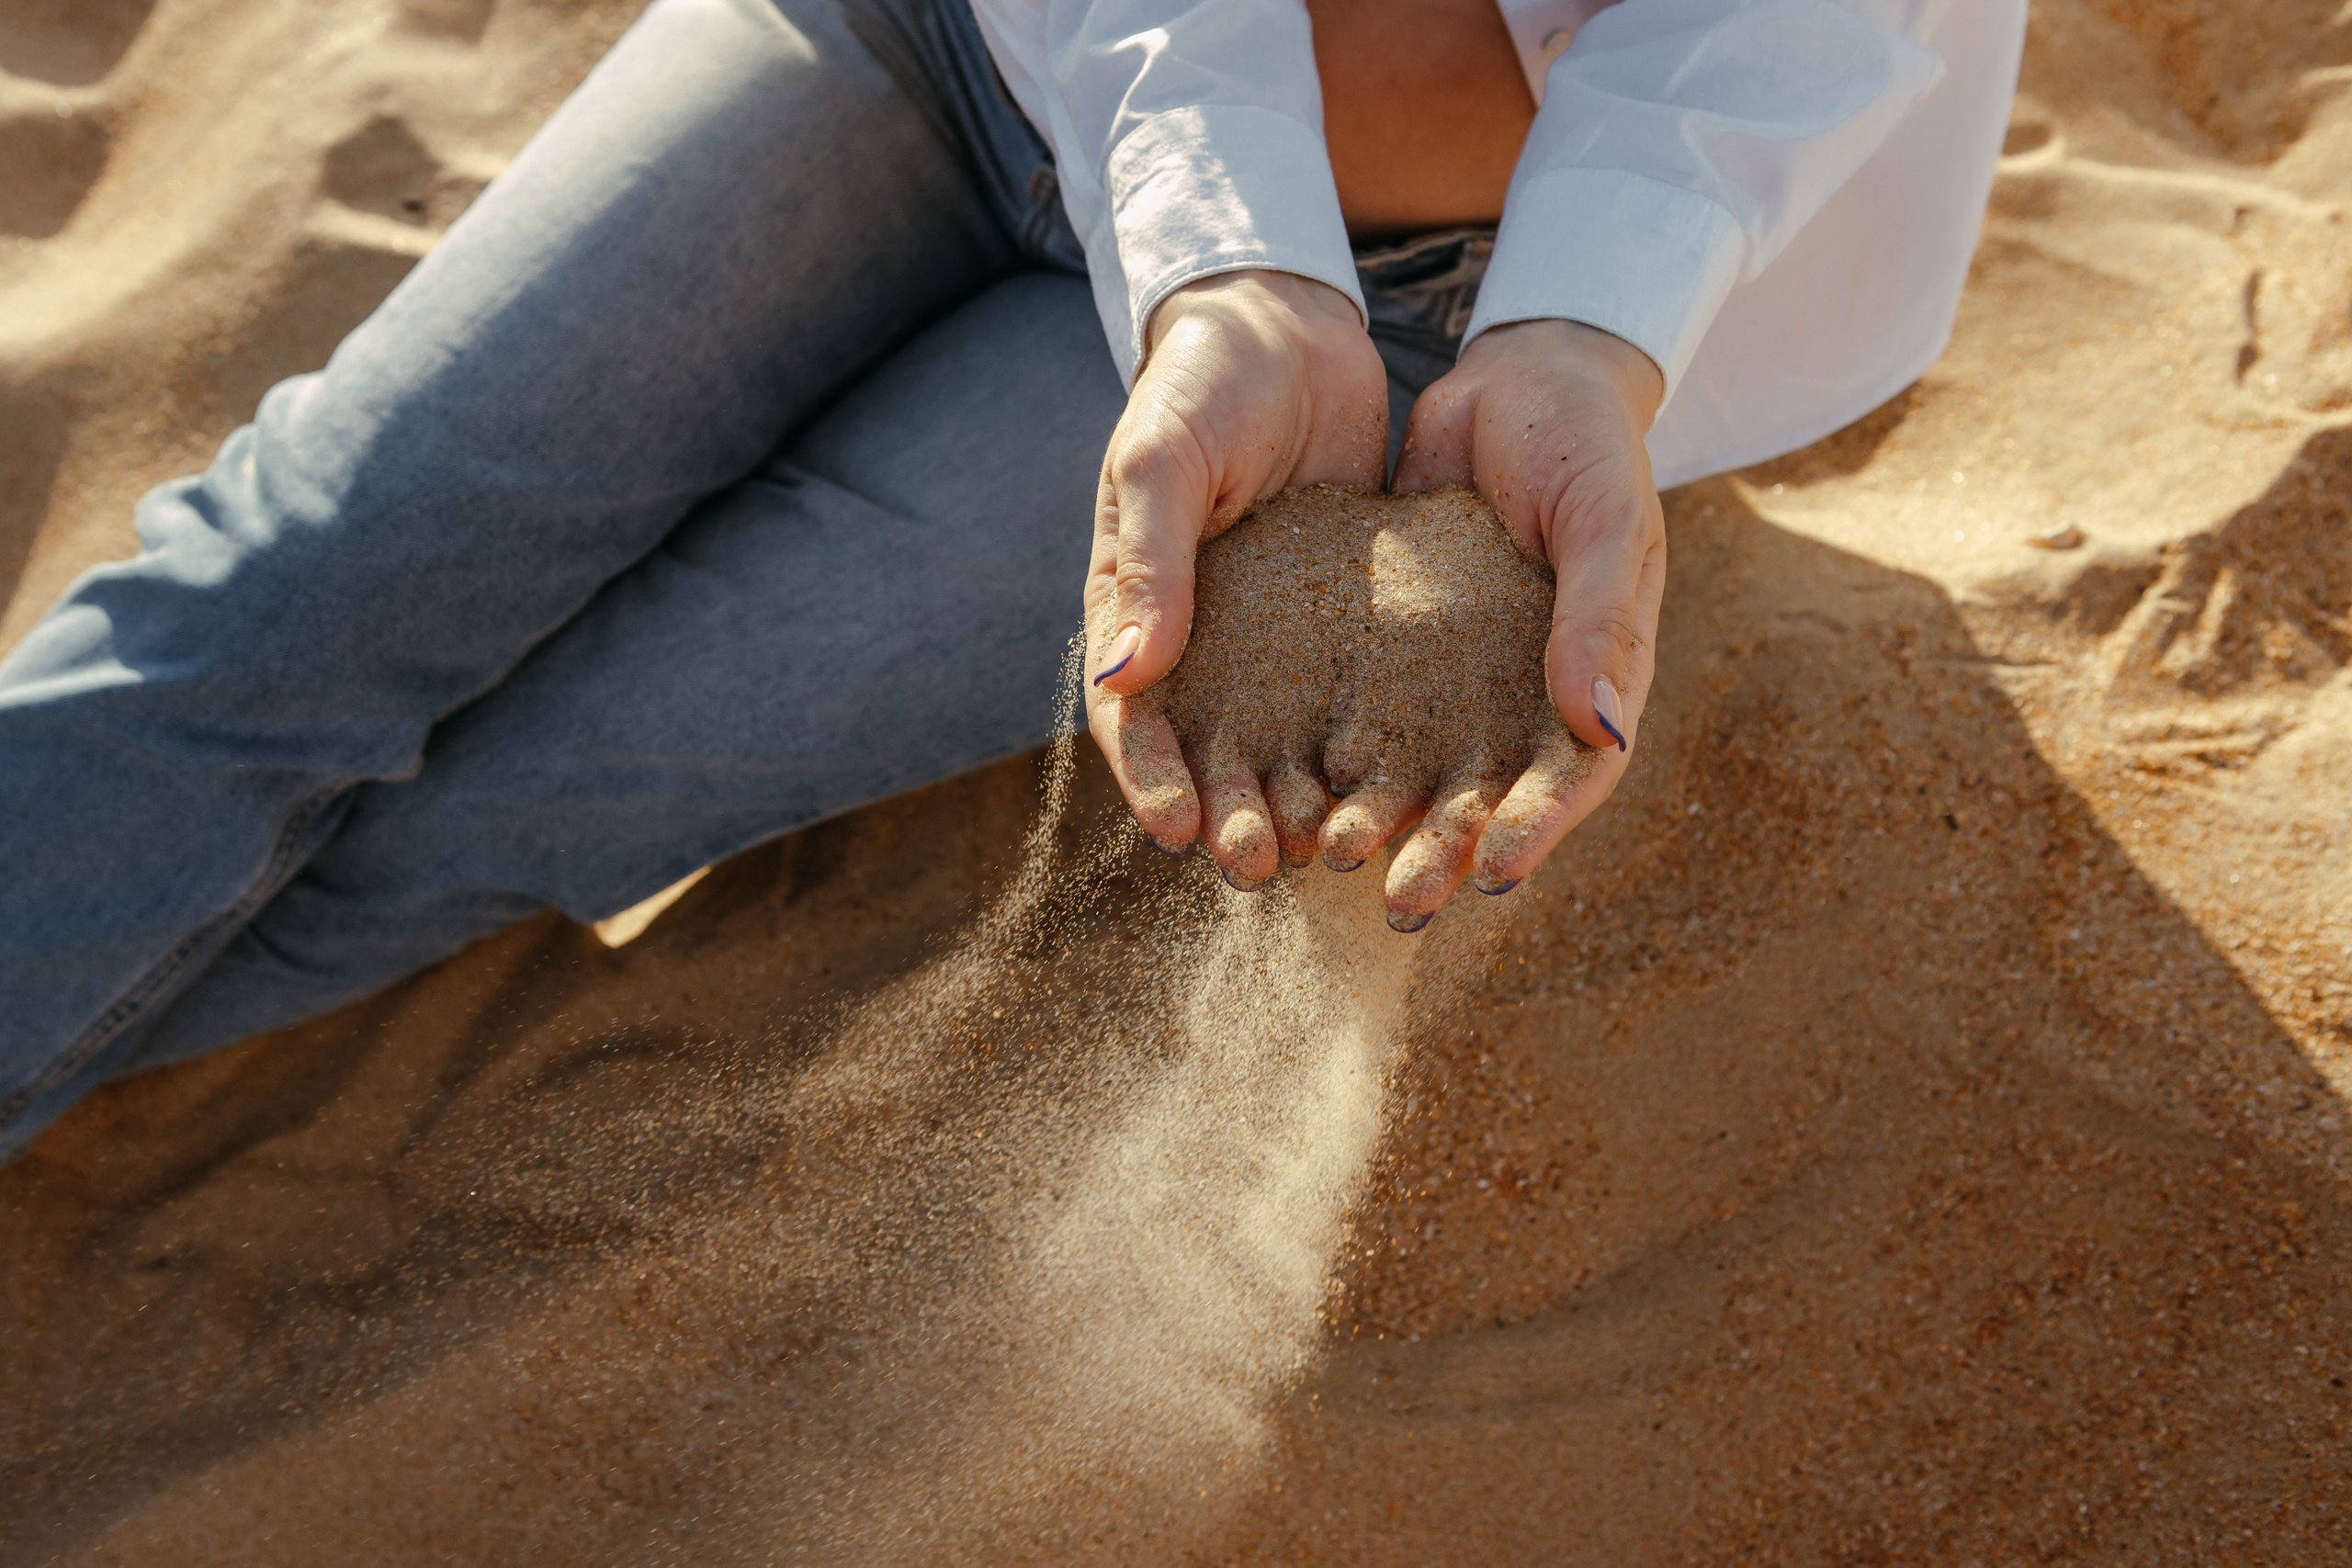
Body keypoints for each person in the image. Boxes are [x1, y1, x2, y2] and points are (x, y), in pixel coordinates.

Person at [0, 0, 2026, 1156]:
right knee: (282, 592)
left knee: (529, 789)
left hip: (1447, 309)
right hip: (941, 37)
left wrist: (1588, 324)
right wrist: (1217, 253)